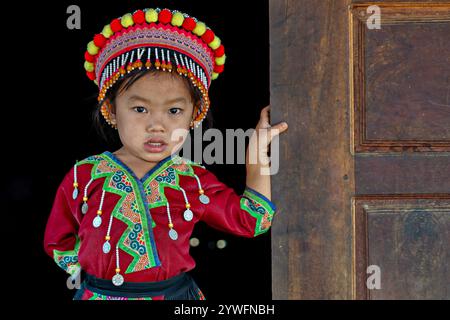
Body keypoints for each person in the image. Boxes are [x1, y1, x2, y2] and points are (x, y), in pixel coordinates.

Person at [44, 7, 288, 300]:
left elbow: (252, 220)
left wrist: (257, 152)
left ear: (194, 115)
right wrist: (93, 283)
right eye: (139, 109)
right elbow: (58, 241)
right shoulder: (83, 175)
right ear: (110, 110)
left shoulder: (192, 179)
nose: (157, 125)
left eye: (174, 110)